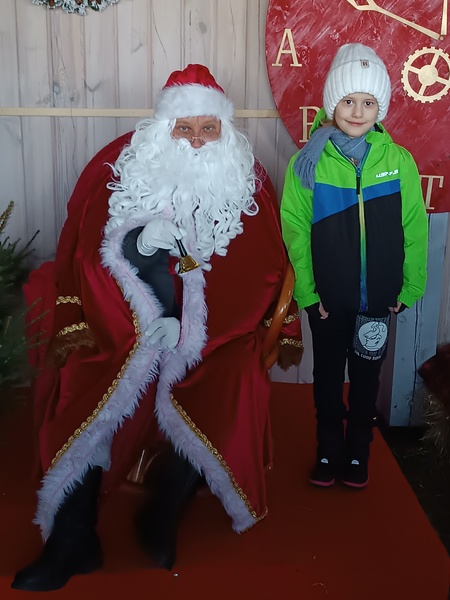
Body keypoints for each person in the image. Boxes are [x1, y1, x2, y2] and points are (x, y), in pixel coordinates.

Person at [12, 64, 302, 592]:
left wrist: (191, 330)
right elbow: (85, 253)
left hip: (212, 335)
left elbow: (261, 270)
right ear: (164, 127)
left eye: (207, 128)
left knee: (229, 376)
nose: (196, 141)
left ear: (224, 129)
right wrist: (138, 251)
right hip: (122, 323)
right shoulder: (121, 166)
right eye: (183, 128)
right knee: (90, 372)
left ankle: (166, 506)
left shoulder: (244, 180)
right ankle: (73, 538)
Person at [280, 43, 428, 489]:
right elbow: (295, 231)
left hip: (377, 301)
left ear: (380, 108)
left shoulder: (398, 162)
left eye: (368, 102)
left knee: (365, 381)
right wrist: (308, 293)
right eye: (348, 101)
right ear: (332, 105)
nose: (358, 112)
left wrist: (410, 286)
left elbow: (414, 228)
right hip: (327, 301)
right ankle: (328, 450)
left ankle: (358, 451)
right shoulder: (307, 165)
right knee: (328, 378)